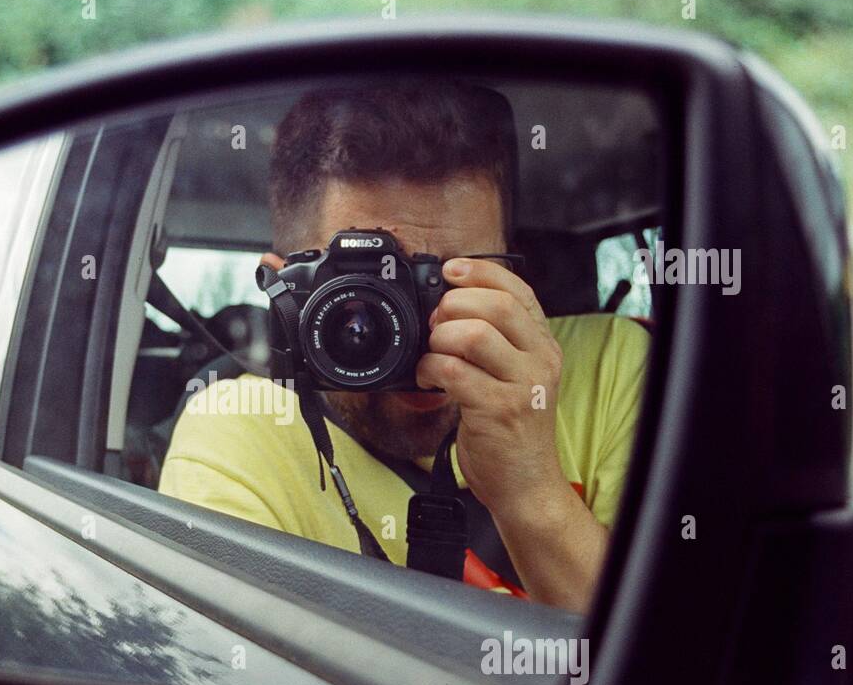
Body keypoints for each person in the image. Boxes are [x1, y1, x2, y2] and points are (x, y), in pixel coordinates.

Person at [159, 80, 649, 612]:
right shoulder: (237, 430)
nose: (419, 337)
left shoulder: (610, 366)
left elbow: (663, 662)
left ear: (514, 273)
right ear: (286, 297)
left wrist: (530, 492)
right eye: (363, 298)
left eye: (450, 285)